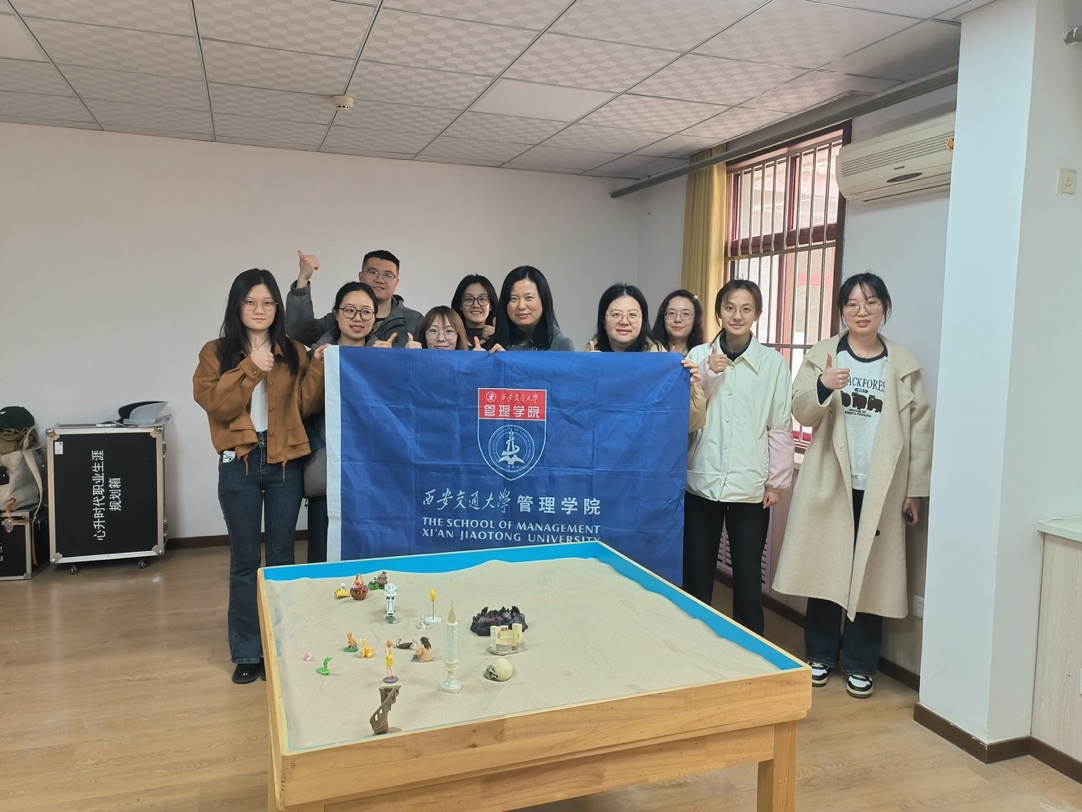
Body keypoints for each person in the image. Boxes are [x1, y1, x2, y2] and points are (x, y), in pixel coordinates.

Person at [773, 272, 932, 699]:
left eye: (871, 302)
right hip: (832, 479)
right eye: (853, 304)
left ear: (884, 308)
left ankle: (862, 663)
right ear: (841, 311)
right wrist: (822, 387)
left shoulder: (902, 364)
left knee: (871, 575)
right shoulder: (823, 355)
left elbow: (919, 432)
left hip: (883, 485)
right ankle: (820, 655)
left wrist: (915, 490)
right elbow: (801, 412)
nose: (862, 311)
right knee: (827, 568)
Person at [193, 268, 324, 684]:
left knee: (282, 557)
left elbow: (305, 408)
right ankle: (248, 652)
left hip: (286, 461)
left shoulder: (294, 351)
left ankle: (280, 648)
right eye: (250, 302)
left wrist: (318, 368)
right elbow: (216, 404)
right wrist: (251, 367)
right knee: (245, 560)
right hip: (240, 461)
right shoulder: (215, 353)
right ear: (237, 306)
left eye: (268, 302)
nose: (259, 309)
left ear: (277, 308)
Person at [682, 279, 795, 635]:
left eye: (746, 309)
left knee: (747, 576)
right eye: (729, 307)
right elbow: (686, 413)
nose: (737, 315)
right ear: (719, 312)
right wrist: (708, 373)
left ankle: (749, 648)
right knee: (696, 573)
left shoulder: (773, 364)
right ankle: (692, 640)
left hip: (751, 486)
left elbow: (779, 424)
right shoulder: (698, 355)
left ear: (757, 313)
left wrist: (776, 483)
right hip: (702, 479)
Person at [304, 281, 379, 564]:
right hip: (328, 471)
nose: (357, 318)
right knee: (323, 557)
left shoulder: (385, 354)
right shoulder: (316, 356)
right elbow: (303, 409)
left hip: (374, 475)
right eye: (349, 310)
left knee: (371, 558)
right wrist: (317, 368)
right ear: (336, 314)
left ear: (375, 317)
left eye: (366, 312)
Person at [589, 283, 706, 432]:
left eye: (632, 315)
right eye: (616, 314)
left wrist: (685, 388)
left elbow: (692, 424)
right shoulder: (589, 356)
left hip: (647, 444)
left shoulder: (660, 358)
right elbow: (577, 415)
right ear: (603, 321)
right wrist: (588, 377)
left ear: (642, 320)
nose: (624, 321)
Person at [288, 250, 422, 348]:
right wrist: (303, 278)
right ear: (361, 276)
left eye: (388, 275)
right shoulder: (339, 318)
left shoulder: (414, 321)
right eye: (372, 272)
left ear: (396, 282)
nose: (379, 280)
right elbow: (299, 331)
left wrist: (415, 356)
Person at [489, 266, 575, 352]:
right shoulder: (494, 343)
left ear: (544, 300)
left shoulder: (560, 346)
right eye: (514, 298)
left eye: (529, 298)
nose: (521, 306)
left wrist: (506, 358)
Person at [653, 289, 704, 357]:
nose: (677, 319)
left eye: (685, 314)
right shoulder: (649, 352)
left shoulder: (703, 354)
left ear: (695, 319)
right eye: (671, 313)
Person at [451, 274, 498, 348]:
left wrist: (498, 335)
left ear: (491, 306)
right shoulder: (450, 338)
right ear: (460, 305)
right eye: (468, 299)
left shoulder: (501, 337)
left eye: (482, 299)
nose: (476, 305)